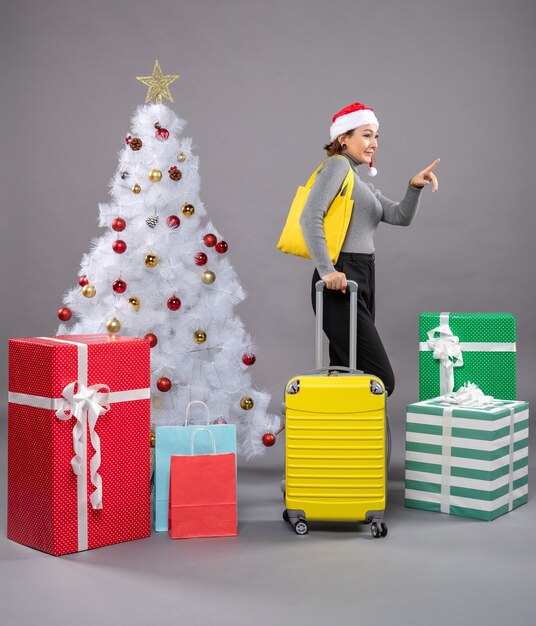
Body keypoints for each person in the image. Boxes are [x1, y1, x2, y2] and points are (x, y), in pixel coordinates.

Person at [299, 102, 439, 396]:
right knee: (380, 379)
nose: (373, 143)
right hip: (341, 279)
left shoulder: (359, 183)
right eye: (366, 135)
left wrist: (414, 186)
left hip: (363, 277)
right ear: (343, 138)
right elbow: (309, 216)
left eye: (376, 136)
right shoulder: (337, 166)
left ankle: (341, 439)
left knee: (344, 372)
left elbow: (400, 216)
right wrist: (327, 270)